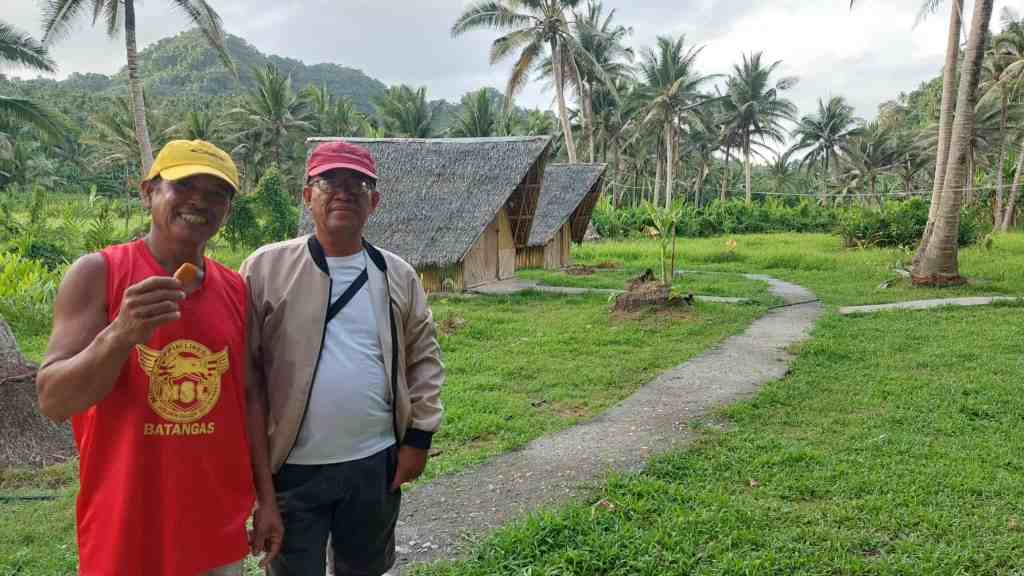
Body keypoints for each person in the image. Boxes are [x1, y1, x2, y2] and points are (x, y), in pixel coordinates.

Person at [36, 140, 283, 576]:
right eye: (184, 184)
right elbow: (54, 401)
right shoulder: (98, 273)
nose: (200, 201)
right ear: (148, 191)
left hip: (215, 524)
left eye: (217, 193)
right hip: (126, 523)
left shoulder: (234, 289)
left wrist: (266, 499)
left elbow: (247, 398)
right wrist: (119, 334)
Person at [240, 140, 444, 576]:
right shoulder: (265, 268)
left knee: (364, 569)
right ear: (306, 195)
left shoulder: (397, 273)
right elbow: (245, 377)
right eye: (329, 180)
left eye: (358, 183)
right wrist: (257, 482)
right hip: (291, 469)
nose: (344, 191)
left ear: (374, 201)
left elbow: (423, 359)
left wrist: (418, 440)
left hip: (374, 463)